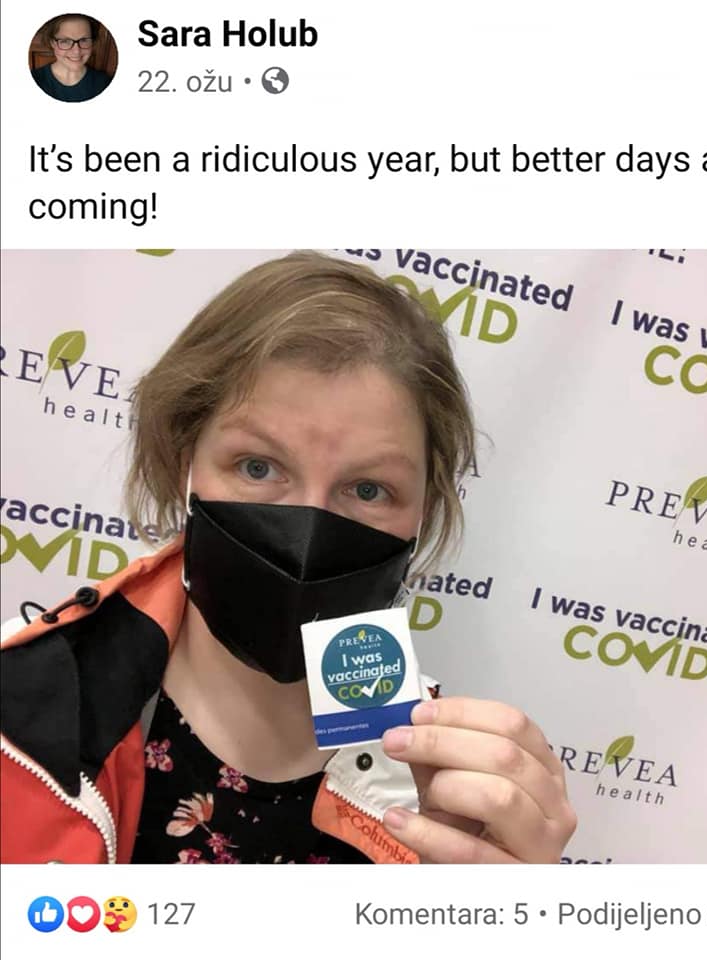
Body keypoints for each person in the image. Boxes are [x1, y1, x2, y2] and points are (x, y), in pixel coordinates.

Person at [0, 252, 577, 864]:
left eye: (368, 489)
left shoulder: (442, 789)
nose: (305, 536)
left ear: (423, 512)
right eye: (258, 467)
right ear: (184, 464)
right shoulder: (25, 713)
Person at [31, 15, 111, 102]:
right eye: (65, 41)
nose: (76, 51)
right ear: (53, 43)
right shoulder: (34, 80)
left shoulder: (104, 83)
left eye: (84, 40)